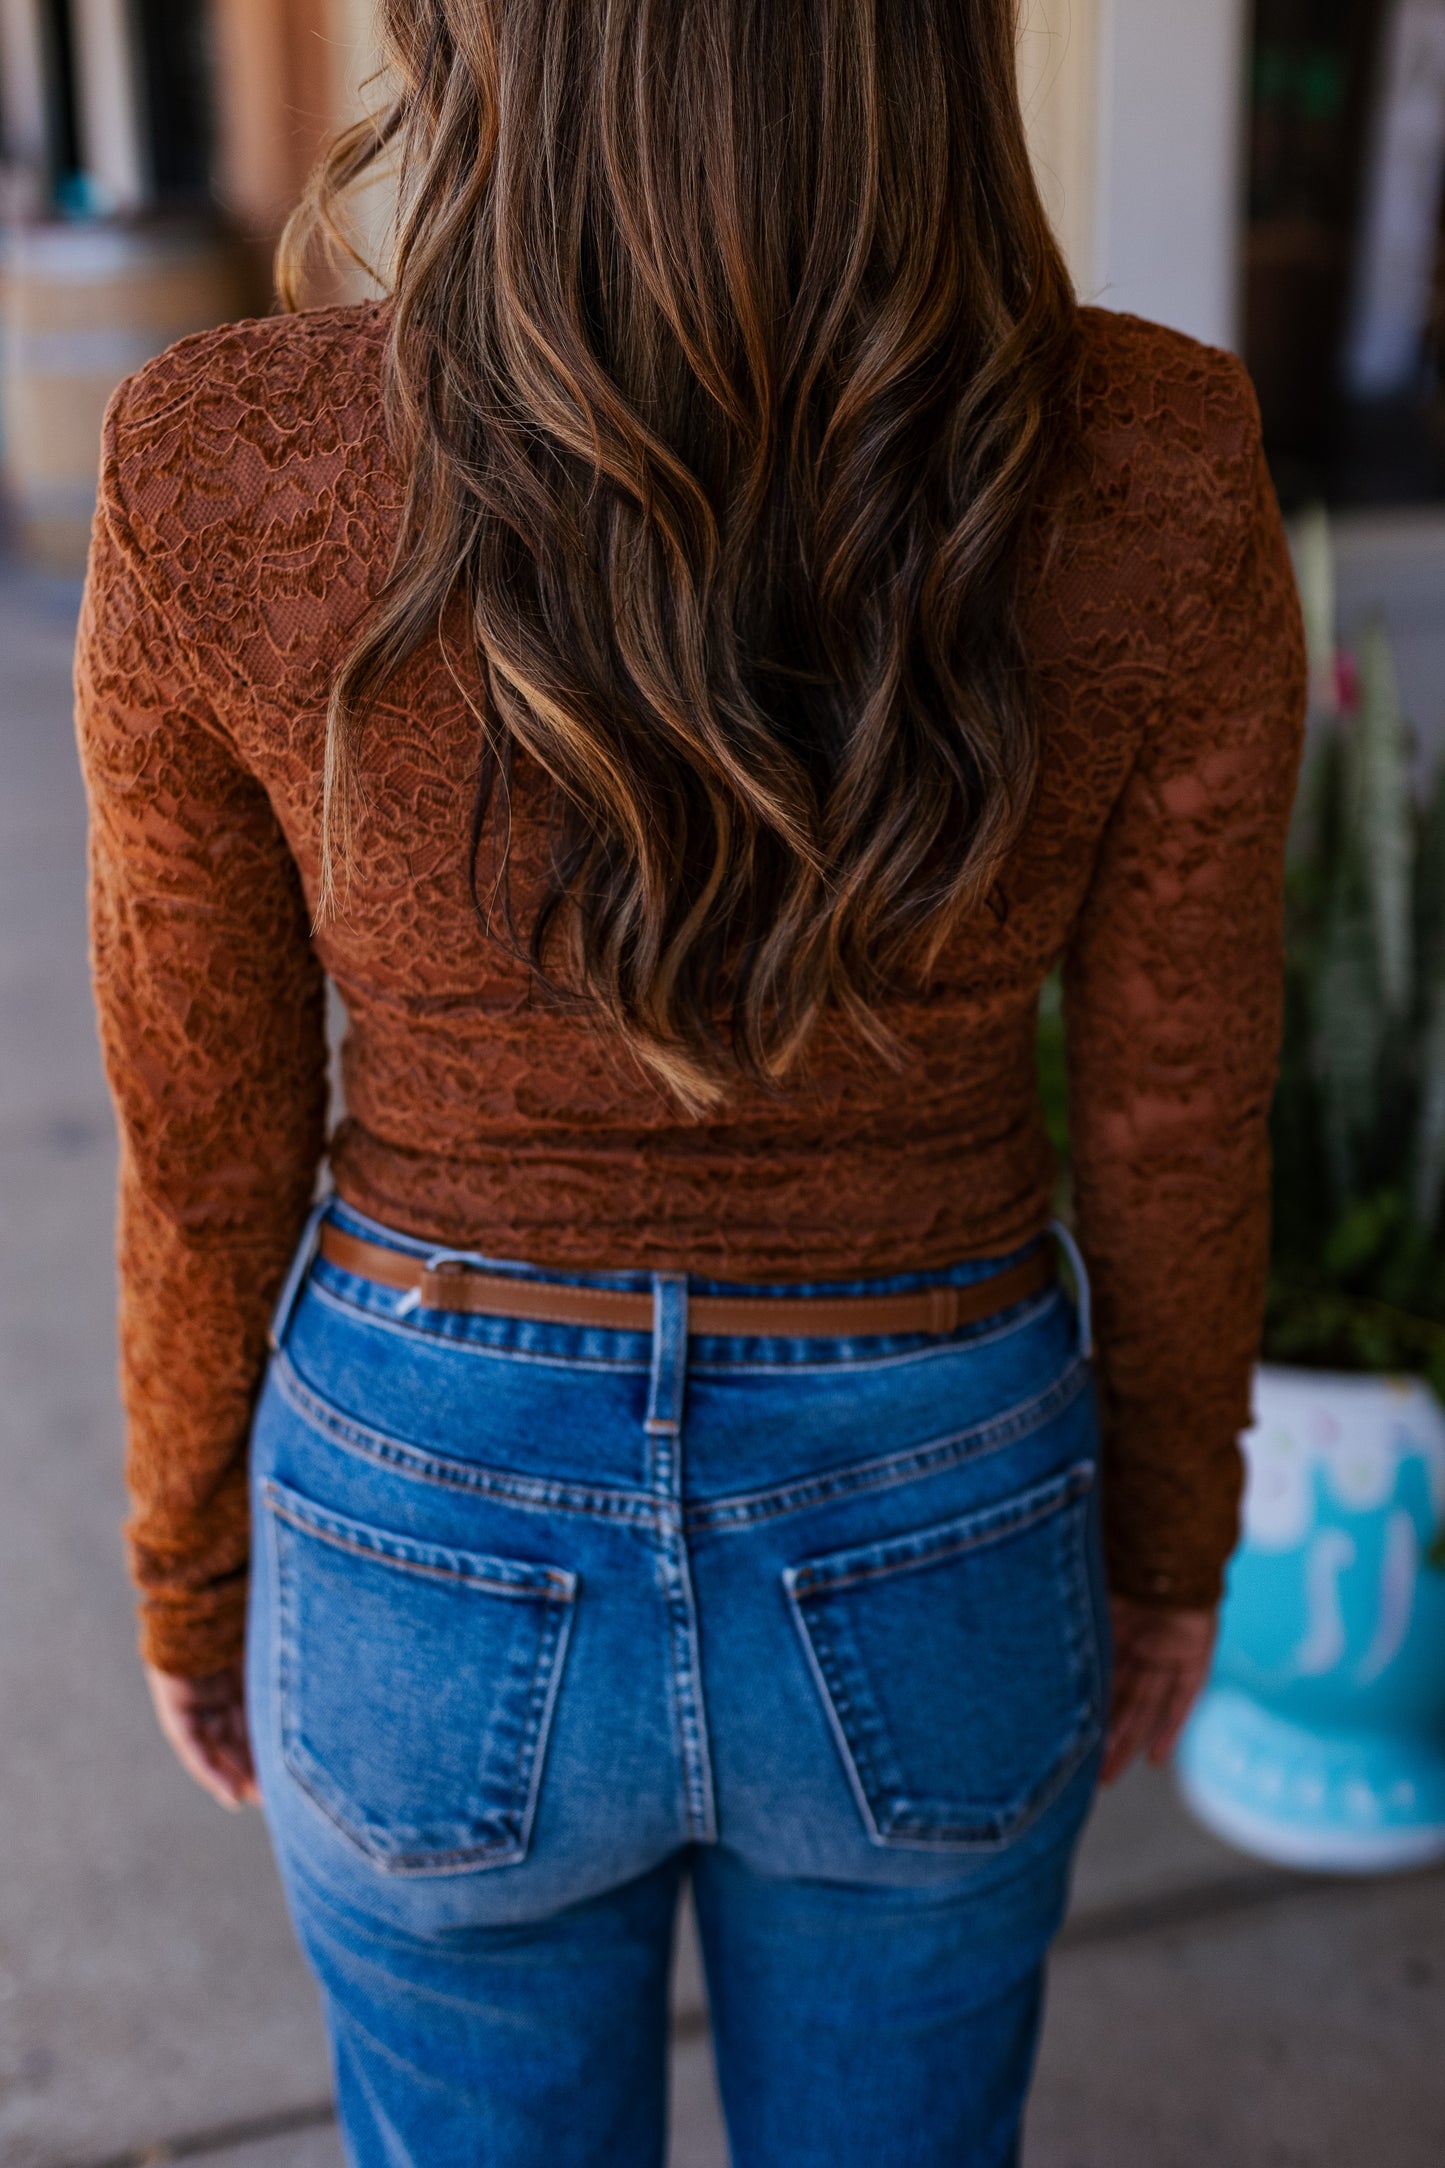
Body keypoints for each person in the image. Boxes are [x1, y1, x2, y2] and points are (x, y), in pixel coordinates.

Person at [74, 3, 1305, 2162]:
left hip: (422, 1494)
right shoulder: (1158, 458)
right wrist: (1170, 1535)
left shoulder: (219, 462)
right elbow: (1180, 1108)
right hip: (940, 1491)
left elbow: (203, 1141)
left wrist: (191, 1554)